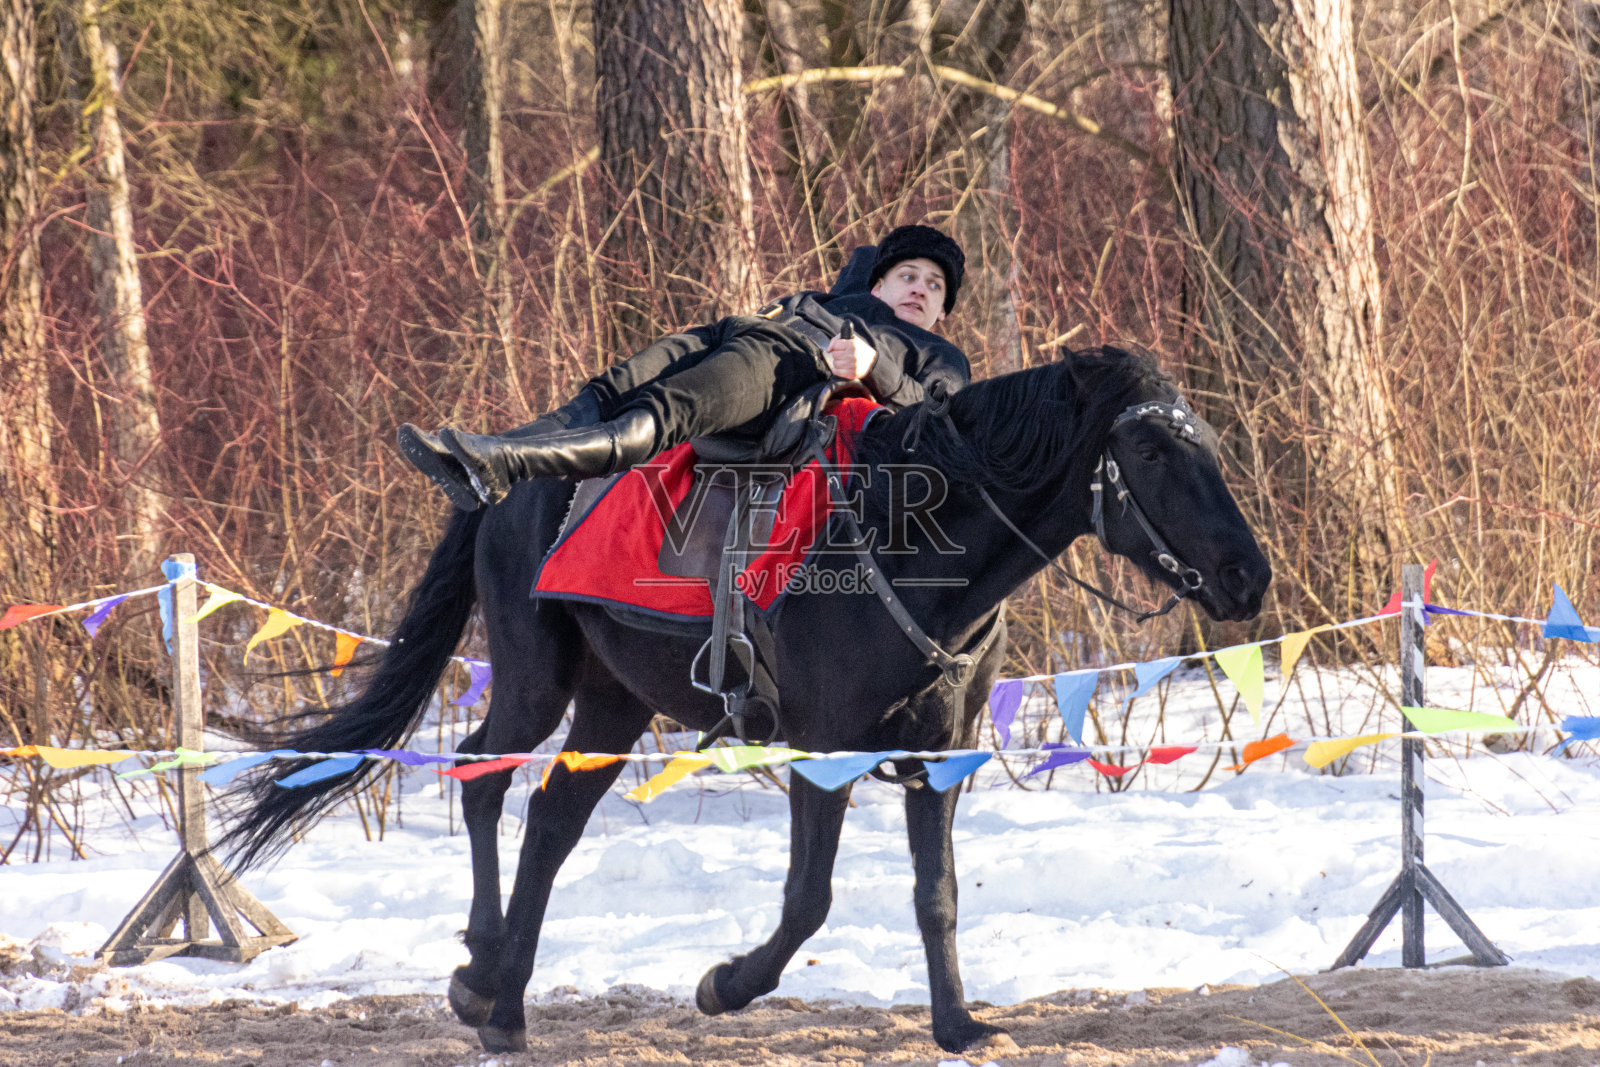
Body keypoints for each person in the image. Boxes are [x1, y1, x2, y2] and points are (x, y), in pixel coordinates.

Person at [399, 224, 970, 510]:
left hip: (787, 366)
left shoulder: (942, 356)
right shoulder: (840, 297)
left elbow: (940, 418)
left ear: (943, 311)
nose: (920, 288)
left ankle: (509, 467)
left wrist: (875, 370)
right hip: (747, 329)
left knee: (664, 410)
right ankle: (484, 452)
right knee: (615, 386)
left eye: (934, 285)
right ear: (879, 282)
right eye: (908, 276)